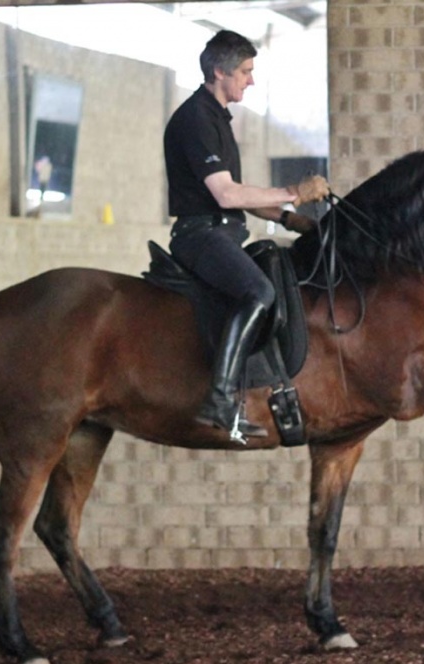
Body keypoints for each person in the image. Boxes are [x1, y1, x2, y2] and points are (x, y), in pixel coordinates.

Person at [164, 29, 329, 442]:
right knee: (259, 292)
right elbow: (225, 194)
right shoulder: (196, 119)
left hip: (222, 232)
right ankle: (220, 399)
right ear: (219, 71)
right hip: (200, 235)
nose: (250, 81)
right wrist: (294, 193)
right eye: (244, 71)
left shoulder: (217, 116)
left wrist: (292, 221)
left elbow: (237, 195)